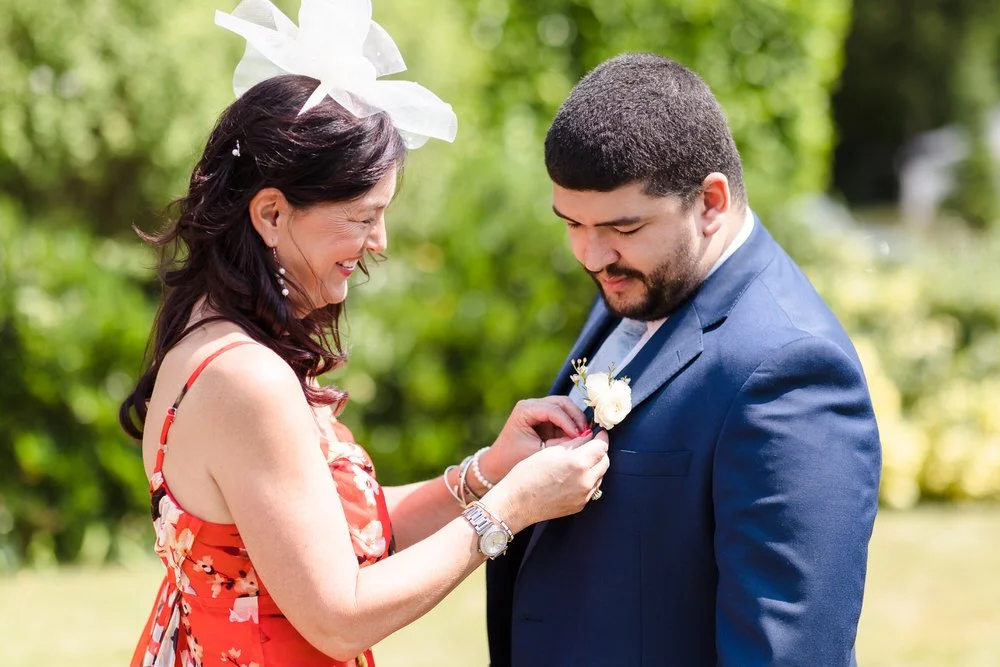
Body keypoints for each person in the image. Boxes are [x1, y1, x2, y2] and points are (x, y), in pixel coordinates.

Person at [121, 2, 609, 666]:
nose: (377, 241)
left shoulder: (214, 337)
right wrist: (513, 507)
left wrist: (491, 470)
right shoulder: (248, 378)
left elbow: (323, 529)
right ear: (271, 212)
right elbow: (339, 617)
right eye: (361, 217)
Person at [486, 53, 882, 666]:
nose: (592, 256)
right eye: (572, 224)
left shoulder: (793, 372)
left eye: (623, 226)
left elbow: (786, 654)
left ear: (711, 202)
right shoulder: (643, 282)